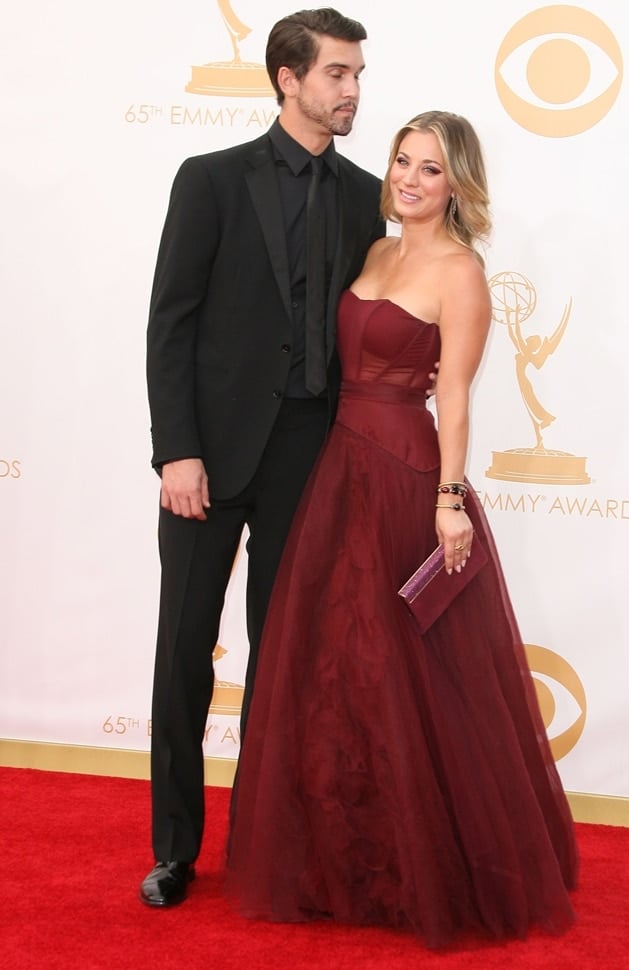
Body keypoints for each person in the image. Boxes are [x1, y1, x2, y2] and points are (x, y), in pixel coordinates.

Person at [225, 110, 579, 948]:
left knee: (411, 671)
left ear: (457, 184)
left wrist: (449, 498)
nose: (410, 180)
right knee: (335, 665)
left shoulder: (461, 273)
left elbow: (452, 394)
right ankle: (341, 855)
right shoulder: (377, 251)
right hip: (338, 467)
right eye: (402, 162)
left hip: (406, 474)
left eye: (430, 169)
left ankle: (425, 861)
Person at [140, 8, 386, 908]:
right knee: (183, 655)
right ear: (288, 77)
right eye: (337, 74)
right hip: (207, 461)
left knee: (286, 663)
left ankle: (267, 844)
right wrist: (180, 452)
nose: (353, 89)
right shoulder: (209, 181)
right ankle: (175, 848)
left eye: (358, 74)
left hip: (309, 458)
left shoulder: (367, 196)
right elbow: (170, 325)